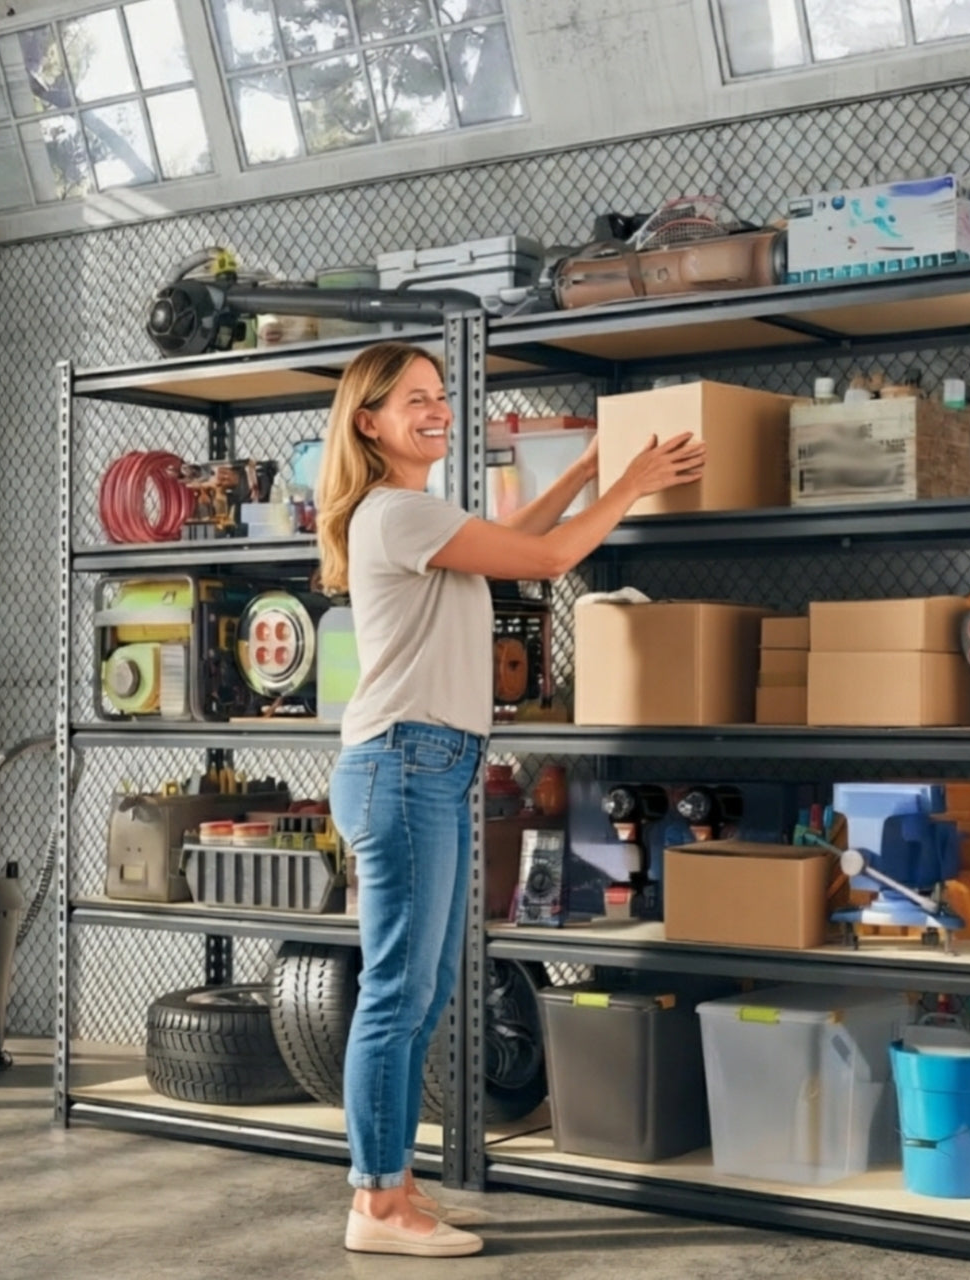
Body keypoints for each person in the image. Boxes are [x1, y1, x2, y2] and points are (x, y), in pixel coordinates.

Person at [315, 341, 705, 1259]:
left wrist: (580, 467)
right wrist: (632, 483)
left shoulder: (420, 515)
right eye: (413, 398)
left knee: (419, 993)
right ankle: (375, 1205)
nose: (436, 408)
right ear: (367, 421)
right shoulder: (395, 513)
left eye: (440, 395)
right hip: (405, 764)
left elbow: (513, 551)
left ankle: (395, 1190)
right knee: (397, 997)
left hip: (431, 766)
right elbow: (558, 554)